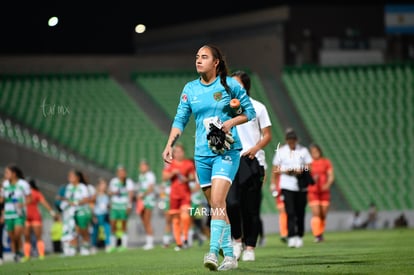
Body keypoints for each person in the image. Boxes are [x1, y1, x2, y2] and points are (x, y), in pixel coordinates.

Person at [162, 44, 256, 271]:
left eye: (204, 57)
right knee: (216, 207)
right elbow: (180, 118)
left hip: (226, 153)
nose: (198, 60)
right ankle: (231, 257)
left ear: (216, 62)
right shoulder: (190, 89)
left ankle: (213, 252)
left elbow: (249, 112)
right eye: (196, 57)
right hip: (202, 155)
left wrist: (231, 122)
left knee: (218, 202)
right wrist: (169, 145)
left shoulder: (229, 84)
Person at [226, 70, 272, 262]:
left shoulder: (258, 107)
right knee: (232, 203)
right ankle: (237, 241)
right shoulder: (225, 108)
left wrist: (255, 148)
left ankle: (250, 247)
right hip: (231, 159)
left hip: (253, 160)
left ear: (245, 86)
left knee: (251, 207)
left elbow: (267, 135)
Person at [272, 128, 312, 248]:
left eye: (293, 140)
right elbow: (275, 169)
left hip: (301, 185)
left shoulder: (303, 150)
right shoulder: (281, 151)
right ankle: (291, 236)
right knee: (290, 212)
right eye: (289, 140)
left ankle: (299, 235)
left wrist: (302, 170)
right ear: (286, 140)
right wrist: (284, 172)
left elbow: (309, 166)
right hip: (287, 184)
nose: (291, 142)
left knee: (300, 212)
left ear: (296, 140)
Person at [162, 143, 195, 251]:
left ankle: (185, 237)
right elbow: (164, 177)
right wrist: (173, 173)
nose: (178, 154)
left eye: (180, 152)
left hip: (185, 194)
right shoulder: (170, 165)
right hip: (174, 196)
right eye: (176, 152)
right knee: (175, 219)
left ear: (183, 153)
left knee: (185, 216)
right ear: (174, 153)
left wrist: (187, 179)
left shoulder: (188, 163)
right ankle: (179, 242)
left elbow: (192, 177)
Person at [0, 164, 31, 262]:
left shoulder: (23, 184)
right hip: (8, 214)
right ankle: (16, 254)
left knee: (17, 234)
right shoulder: (5, 185)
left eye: (7, 172)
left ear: (14, 174)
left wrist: (22, 204)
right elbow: (2, 199)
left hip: (19, 213)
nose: (5, 174)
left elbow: (30, 199)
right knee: (12, 236)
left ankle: (18, 252)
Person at [22, 179, 56, 262]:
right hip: (26, 217)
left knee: (38, 237)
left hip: (35, 217)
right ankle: (27, 256)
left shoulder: (36, 193)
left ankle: (41, 254)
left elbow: (44, 202)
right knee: (27, 237)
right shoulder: (22, 194)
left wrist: (51, 212)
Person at [60, 170, 92, 256]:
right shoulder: (69, 187)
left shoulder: (82, 187)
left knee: (83, 230)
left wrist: (76, 203)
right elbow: (68, 199)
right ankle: (72, 249)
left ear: (77, 178)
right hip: (72, 212)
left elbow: (86, 199)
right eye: (69, 176)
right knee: (73, 230)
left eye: (72, 176)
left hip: (82, 211)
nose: (70, 178)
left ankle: (85, 247)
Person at [308, 143, 334, 242]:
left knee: (323, 214)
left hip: (324, 191)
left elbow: (331, 175)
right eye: (313, 152)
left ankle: (320, 232)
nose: (315, 153)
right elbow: (305, 176)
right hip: (313, 191)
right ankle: (317, 234)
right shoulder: (309, 163)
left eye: (316, 151)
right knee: (316, 213)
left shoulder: (326, 162)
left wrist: (328, 184)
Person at [107, 165, 135, 252]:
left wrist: (129, 205)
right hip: (115, 206)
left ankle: (123, 245)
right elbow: (109, 192)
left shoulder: (128, 182)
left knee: (123, 225)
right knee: (113, 225)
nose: (121, 174)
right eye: (120, 172)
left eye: (123, 172)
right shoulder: (113, 181)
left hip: (123, 205)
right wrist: (112, 194)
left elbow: (131, 194)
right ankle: (113, 245)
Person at [136, 160, 156, 250]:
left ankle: (150, 241)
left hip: (148, 200)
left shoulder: (150, 175)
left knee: (147, 220)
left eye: (144, 166)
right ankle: (148, 240)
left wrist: (143, 194)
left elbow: (151, 188)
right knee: (144, 220)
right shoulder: (141, 176)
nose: (142, 168)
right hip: (142, 200)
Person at [91, 178, 111, 251]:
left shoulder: (107, 195)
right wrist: (93, 216)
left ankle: (108, 245)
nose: (103, 186)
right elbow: (92, 205)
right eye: (102, 184)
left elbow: (108, 205)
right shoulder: (95, 195)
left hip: (105, 214)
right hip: (97, 214)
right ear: (99, 185)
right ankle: (93, 246)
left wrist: (109, 207)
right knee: (95, 231)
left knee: (107, 229)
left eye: (104, 184)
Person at [270, 173, 288, 243]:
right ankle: (284, 233)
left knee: (290, 212)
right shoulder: (278, 164)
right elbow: (274, 176)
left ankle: (291, 232)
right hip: (280, 191)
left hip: (291, 189)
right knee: (283, 212)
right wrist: (273, 187)